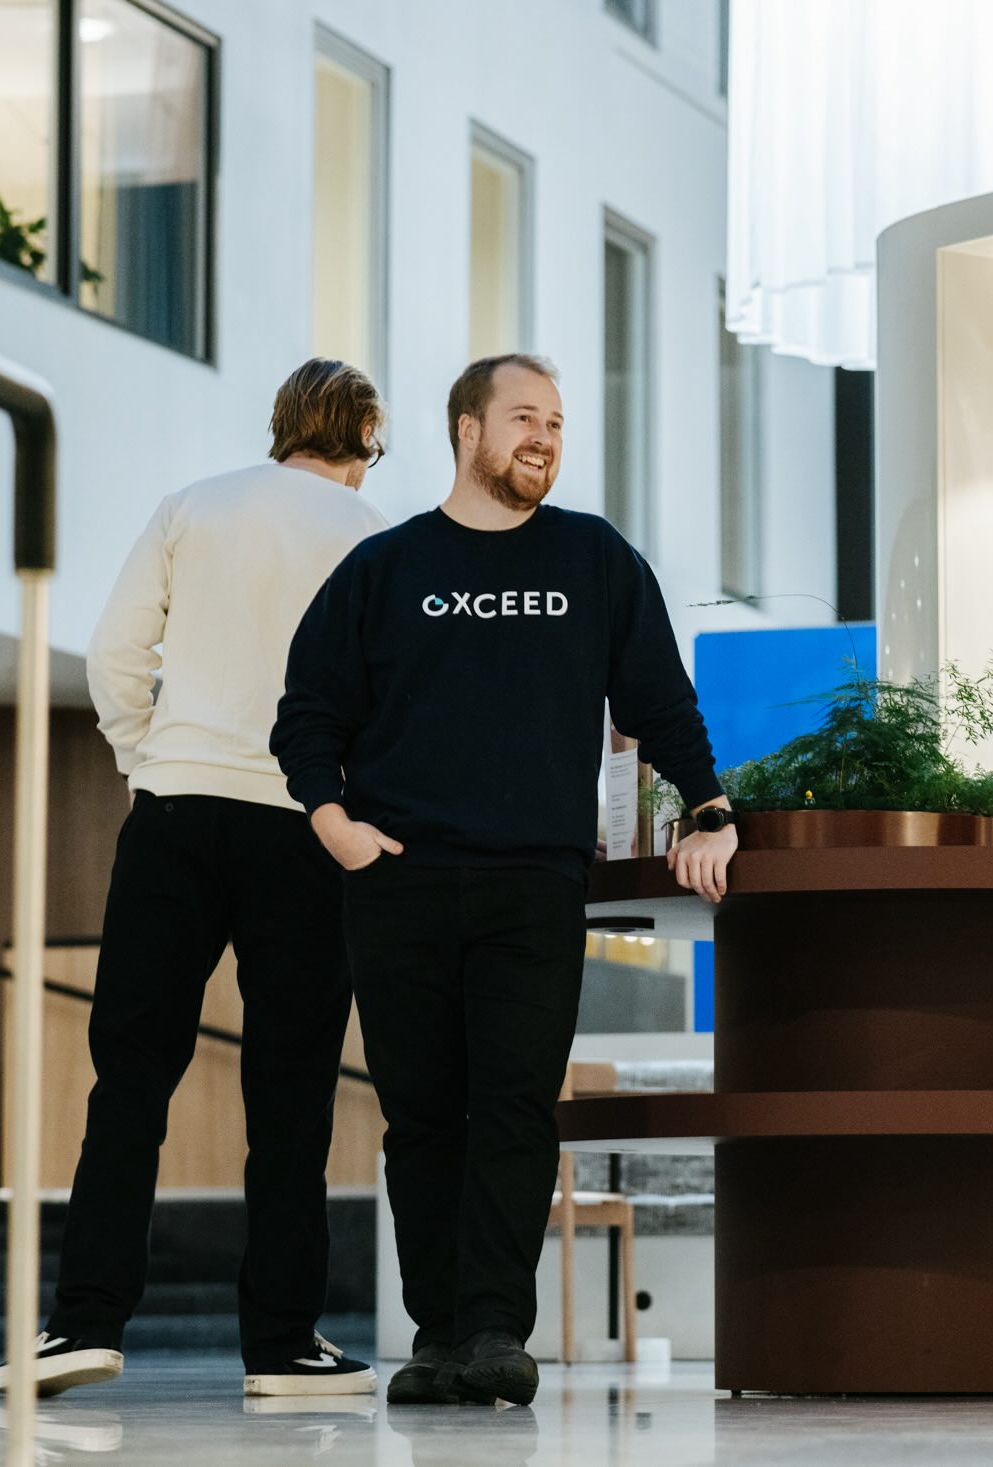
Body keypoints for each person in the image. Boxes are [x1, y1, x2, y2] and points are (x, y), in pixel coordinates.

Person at [272, 353, 738, 1408]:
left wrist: (710, 807)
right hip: (399, 882)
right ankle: (437, 1333)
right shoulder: (385, 567)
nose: (544, 437)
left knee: (515, 1107)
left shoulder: (593, 557)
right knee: (421, 1117)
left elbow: (660, 700)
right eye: (524, 416)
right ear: (467, 430)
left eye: (558, 423)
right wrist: (335, 826)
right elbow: (308, 712)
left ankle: (492, 1329)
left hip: (533, 880)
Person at [0, 359, 391, 1400]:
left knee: (130, 1076)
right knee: (292, 1092)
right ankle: (282, 1346)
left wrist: (148, 762)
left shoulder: (193, 506)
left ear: (283, 424)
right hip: (305, 829)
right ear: (362, 437)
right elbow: (391, 699)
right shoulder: (374, 537)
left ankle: (83, 1325)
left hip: (175, 817)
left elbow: (115, 657)